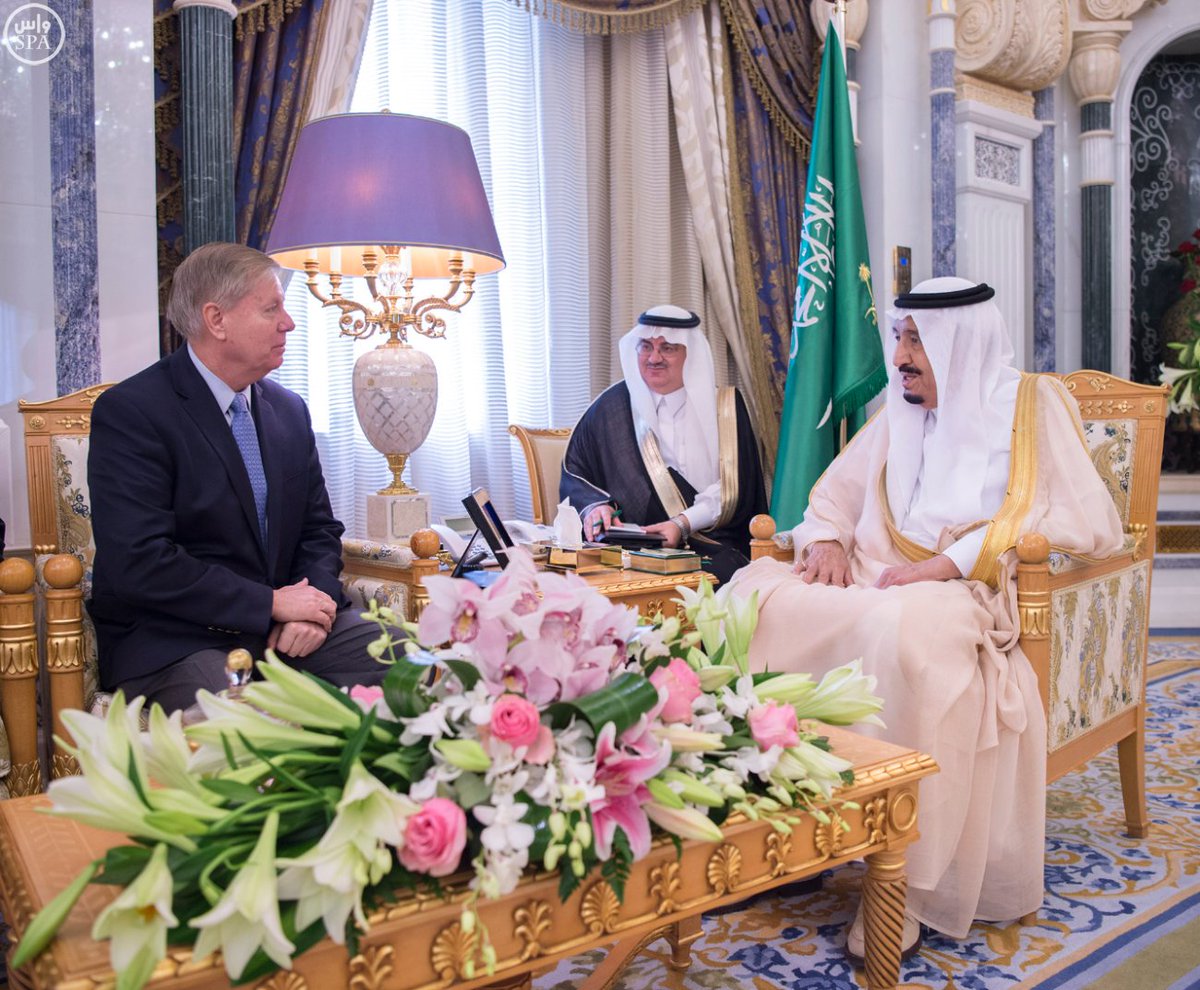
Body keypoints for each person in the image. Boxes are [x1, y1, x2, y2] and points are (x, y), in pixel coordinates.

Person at [731, 277, 1124, 957]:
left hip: (968, 588)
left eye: (917, 341)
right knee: (749, 598)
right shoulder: (901, 411)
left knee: (903, 634)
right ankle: (786, 836)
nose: (901, 357)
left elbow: (1081, 517)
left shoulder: (1032, 404)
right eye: (899, 337)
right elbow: (835, 496)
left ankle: (900, 882)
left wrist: (948, 562)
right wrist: (824, 539)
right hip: (874, 574)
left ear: (960, 343)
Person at [87, 242, 385, 713]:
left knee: (407, 660)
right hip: (178, 639)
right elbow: (139, 561)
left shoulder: (288, 410)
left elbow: (319, 531)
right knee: (238, 715)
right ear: (216, 319)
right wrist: (269, 604)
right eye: (271, 309)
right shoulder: (132, 413)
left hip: (284, 633)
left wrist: (311, 609)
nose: (288, 323)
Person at [560, 305, 767, 584]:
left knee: (721, 581)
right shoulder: (612, 408)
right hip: (633, 551)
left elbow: (736, 487)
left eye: (667, 348)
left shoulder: (726, 408)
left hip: (713, 544)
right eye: (646, 347)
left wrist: (682, 523)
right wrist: (596, 507)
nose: (654, 358)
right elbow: (576, 471)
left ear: (689, 353)